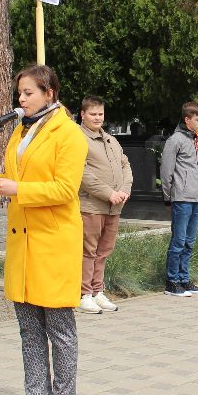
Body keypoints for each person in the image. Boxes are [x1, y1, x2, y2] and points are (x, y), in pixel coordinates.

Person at [0, 65, 87, 395]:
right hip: (23, 242)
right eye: (20, 93)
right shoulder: (20, 130)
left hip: (52, 243)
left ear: (49, 93)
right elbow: (14, 180)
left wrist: (18, 190)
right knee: (29, 329)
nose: (21, 99)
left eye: (28, 93)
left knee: (59, 329)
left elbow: (65, 189)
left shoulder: (69, 134)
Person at [77, 96, 132, 314]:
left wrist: (124, 190)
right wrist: (109, 193)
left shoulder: (111, 140)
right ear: (82, 115)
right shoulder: (78, 139)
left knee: (104, 251)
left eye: (100, 114)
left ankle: (97, 291)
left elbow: (125, 165)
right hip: (91, 206)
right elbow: (82, 173)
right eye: (93, 114)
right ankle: (84, 294)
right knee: (88, 251)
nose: (97, 118)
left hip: (114, 207)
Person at [161, 102, 198, 295]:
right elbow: (166, 171)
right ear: (187, 120)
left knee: (189, 241)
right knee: (179, 241)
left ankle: (184, 278)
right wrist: (168, 197)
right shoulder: (175, 140)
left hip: (196, 198)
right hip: (181, 198)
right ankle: (172, 281)